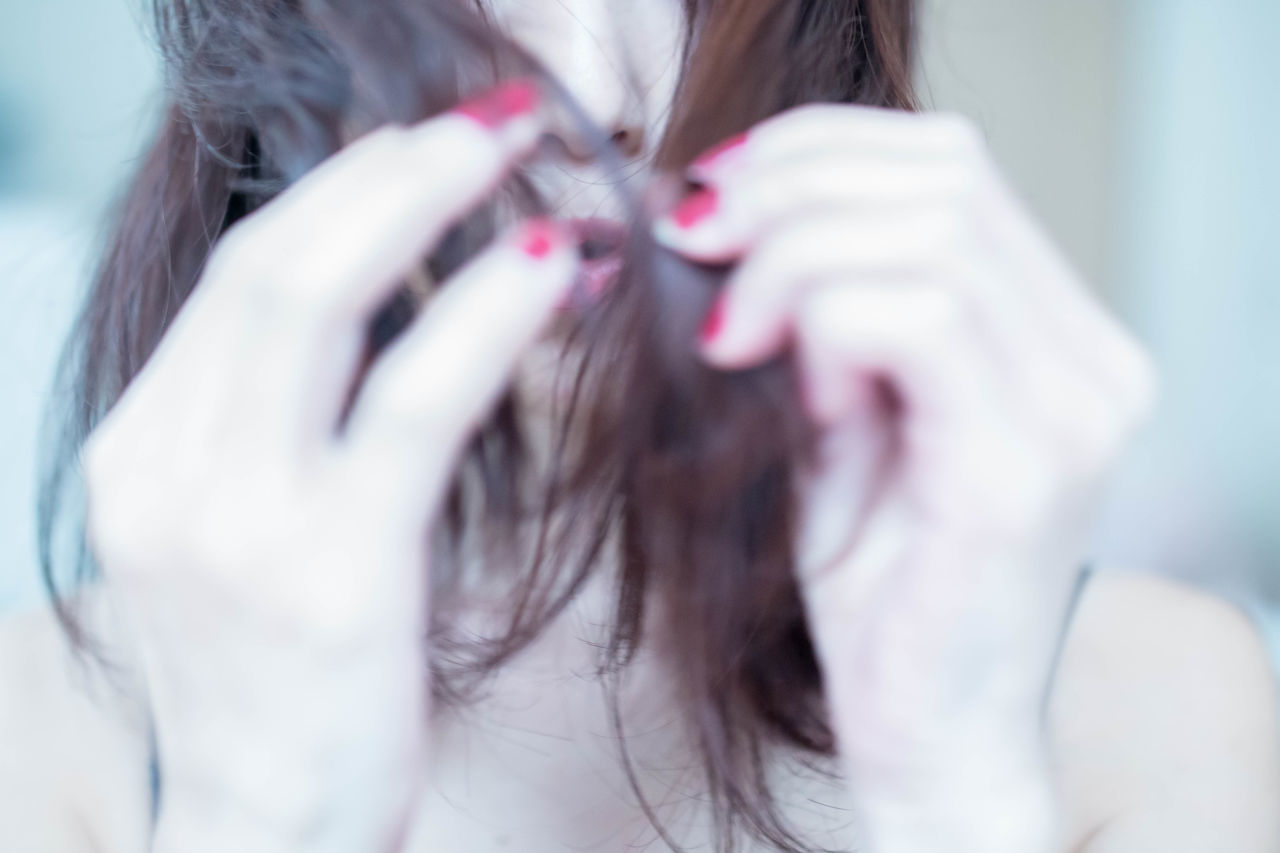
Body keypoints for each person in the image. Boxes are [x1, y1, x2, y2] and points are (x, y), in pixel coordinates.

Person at [3, 0, 1278, 851]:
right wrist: (257, 821)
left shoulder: (1156, 704)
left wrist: (957, 798)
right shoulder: (41, 730)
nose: (605, 91)